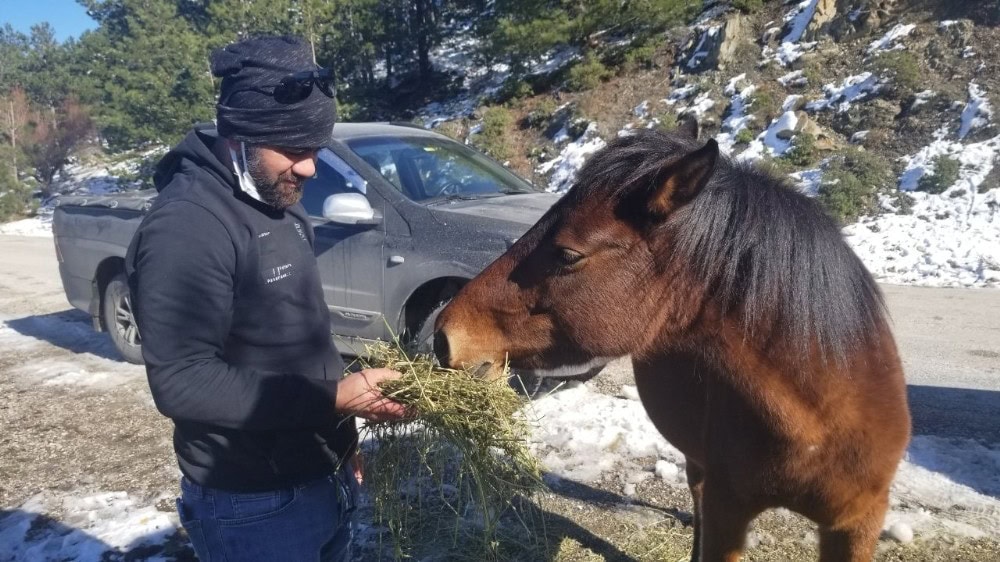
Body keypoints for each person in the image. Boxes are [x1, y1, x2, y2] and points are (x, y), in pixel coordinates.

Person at [125, 35, 407, 561]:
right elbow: (182, 381)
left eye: (315, 149)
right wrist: (334, 398)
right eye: (294, 150)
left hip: (322, 474)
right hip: (251, 505)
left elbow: (300, 342)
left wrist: (341, 442)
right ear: (239, 134)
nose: (310, 169)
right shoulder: (188, 226)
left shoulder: (281, 204)